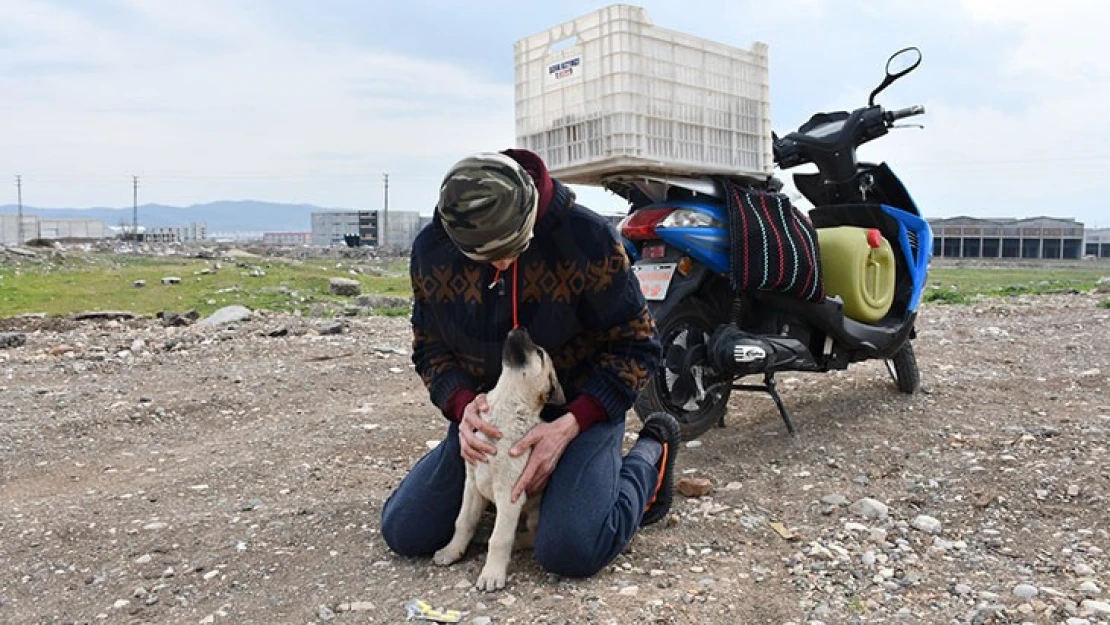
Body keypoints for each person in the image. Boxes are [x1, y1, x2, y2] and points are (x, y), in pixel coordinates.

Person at [379, 149, 682, 579]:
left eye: (510, 251)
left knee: (570, 550)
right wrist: (462, 405)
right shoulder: (433, 248)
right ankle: (514, 498)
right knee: (405, 531)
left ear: (531, 218)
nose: (499, 266)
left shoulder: (589, 238)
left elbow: (639, 347)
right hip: (495, 420)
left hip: (580, 411)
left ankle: (650, 455)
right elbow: (429, 349)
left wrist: (572, 423)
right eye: (484, 259)